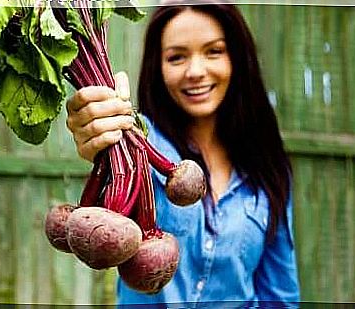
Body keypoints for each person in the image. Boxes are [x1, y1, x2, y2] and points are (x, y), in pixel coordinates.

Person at [66, 1, 300, 306]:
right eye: (176, 57)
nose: (196, 72)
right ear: (158, 67)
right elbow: (103, 145)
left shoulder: (268, 167)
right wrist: (96, 131)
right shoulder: (136, 141)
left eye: (214, 51)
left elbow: (280, 295)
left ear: (237, 57)